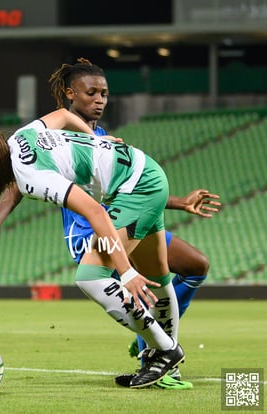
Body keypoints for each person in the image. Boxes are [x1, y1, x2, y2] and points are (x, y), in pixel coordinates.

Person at [0, 107, 185, 389]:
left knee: (90, 277)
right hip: (147, 172)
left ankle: (165, 350)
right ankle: (167, 367)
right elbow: (64, 115)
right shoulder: (18, 140)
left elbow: (96, 213)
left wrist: (125, 272)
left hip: (134, 190)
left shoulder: (30, 176)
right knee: (159, 275)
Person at [47, 58, 221, 387]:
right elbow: (21, 177)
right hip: (90, 234)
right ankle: (157, 352)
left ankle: (152, 338)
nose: (99, 100)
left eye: (104, 94)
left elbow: (127, 192)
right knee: (141, 285)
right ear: (70, 94)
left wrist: (179, 202)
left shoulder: (103, 138)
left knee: (196, 265)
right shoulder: (52, 136)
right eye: (91, 93)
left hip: (123, 220)